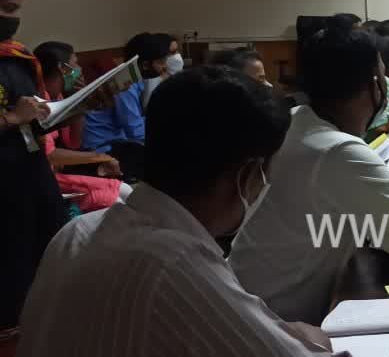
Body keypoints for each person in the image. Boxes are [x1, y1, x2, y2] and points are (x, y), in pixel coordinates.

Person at [18, 66, 341, 356]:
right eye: (264, 175)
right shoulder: (174, 261)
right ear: (245, 175)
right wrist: (314, 339)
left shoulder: (78, 231)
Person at [230, 20, 389, 324]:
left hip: (243, 299)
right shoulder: (339, 152)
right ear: (374, 85)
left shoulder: (294, 120)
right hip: (273, 322)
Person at [0, 0, 70, 336]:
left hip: (30, 165)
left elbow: (34, 112)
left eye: (16, 9)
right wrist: (12, 118)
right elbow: (16, 114)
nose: (13, 19)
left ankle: (42, 313)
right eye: (7, 9)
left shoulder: (17, 57)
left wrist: (67, 110)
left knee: (50, 236)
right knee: (11, 252)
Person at [35, 41, 132, 213]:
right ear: (63, 69)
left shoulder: (58, 96)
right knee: (115, 200)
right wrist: (100, 157)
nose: (79, 69)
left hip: (59, 173)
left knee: (125, 190)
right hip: (44, 178)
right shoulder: (40, 101)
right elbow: (51, 154)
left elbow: (73, 142)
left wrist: (79, 103)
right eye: (75, 64)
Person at [83, 33, 168, 152]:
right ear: (145, 64)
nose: (165, 67)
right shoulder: (124, 84)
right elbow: (135, 131)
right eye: (161, 62)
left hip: (115, 140)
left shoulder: (133, 79)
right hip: (102, 148)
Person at [141, 33, 183, 107]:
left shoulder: (176, 79)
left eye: (177, 51)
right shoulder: (152, 82)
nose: (177, 57)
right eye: (172, 52)